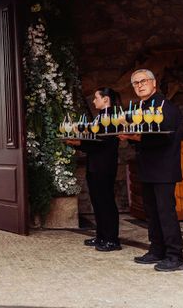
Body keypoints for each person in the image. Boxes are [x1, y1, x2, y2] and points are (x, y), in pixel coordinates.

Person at [119, 68, 183, 272]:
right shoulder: (141, 107)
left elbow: (163, 136)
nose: (139, 85)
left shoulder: (165, 107)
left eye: (143, 81)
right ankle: (157, 250)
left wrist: (134, 137)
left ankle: (175, 257)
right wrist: (132, 137)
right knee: (152, 213)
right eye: (135, 83)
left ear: (154, 83)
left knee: (166, 213)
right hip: (147, 168)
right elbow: (143, 138)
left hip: (164, 169)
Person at [66, 88, 121, 252]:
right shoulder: (100, 117)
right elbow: (96, 140)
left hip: (105, 166)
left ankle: (112, 240)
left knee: (106, 202)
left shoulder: (111, 117)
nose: (93, 101)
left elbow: (103, 143)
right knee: (97, 201)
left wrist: (79, 144)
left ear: (106, 99)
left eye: (96, 97)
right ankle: (101, 236)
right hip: (95, 165)